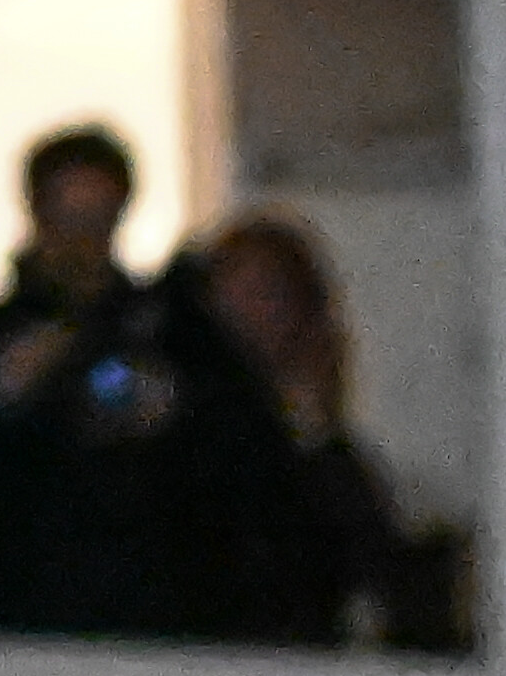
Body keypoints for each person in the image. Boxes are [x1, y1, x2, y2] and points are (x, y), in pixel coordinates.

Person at [0, 123, 302, 641]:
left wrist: (179, 410)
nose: (80, 244)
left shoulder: (182, 342)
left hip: (151, 637)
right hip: (20, 630)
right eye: (67, 218)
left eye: (96, 220)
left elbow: (253, 479)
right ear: (36, 212)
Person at [184, 208, 461, 650]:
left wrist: (311, 434)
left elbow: (365, 568)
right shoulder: (187, 438)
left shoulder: (321, 454)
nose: (243, 313)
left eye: (265, 293)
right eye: (229, 293)